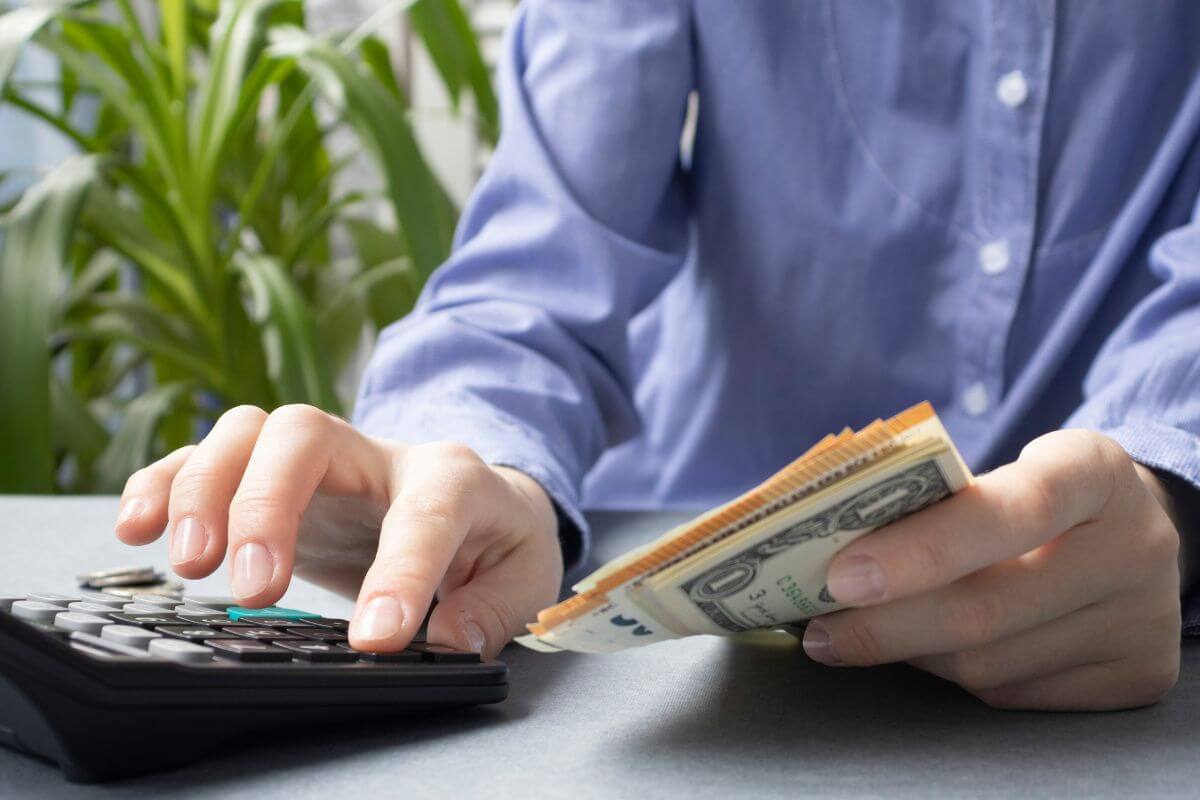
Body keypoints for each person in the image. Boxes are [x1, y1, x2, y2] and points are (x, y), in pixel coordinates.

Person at [113, 2, 1199, 711]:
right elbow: (542, 250)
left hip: (1139, 659)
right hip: (656, 663)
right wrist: (472, 456)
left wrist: (1172, 496)